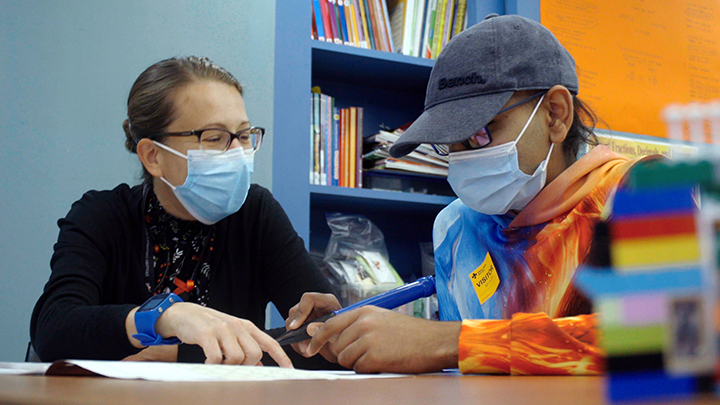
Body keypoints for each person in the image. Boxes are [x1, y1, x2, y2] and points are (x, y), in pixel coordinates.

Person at [287, 14, 652, 374]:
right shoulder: (456, 227)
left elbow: (676, 336)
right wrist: (357, 335)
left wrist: (448, 341)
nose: (464, 159)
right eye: (450, 145)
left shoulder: (648, 192)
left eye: (479, 134)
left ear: (555, 115)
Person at [31, 56, 334, 367]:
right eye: (214, 138)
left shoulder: (255, 214)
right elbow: (54, 330)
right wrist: (163, 316)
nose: (237, 154)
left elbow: (329, 340)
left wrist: (182, 355)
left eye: (243, 136)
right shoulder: (101, 215)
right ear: (153, 156)